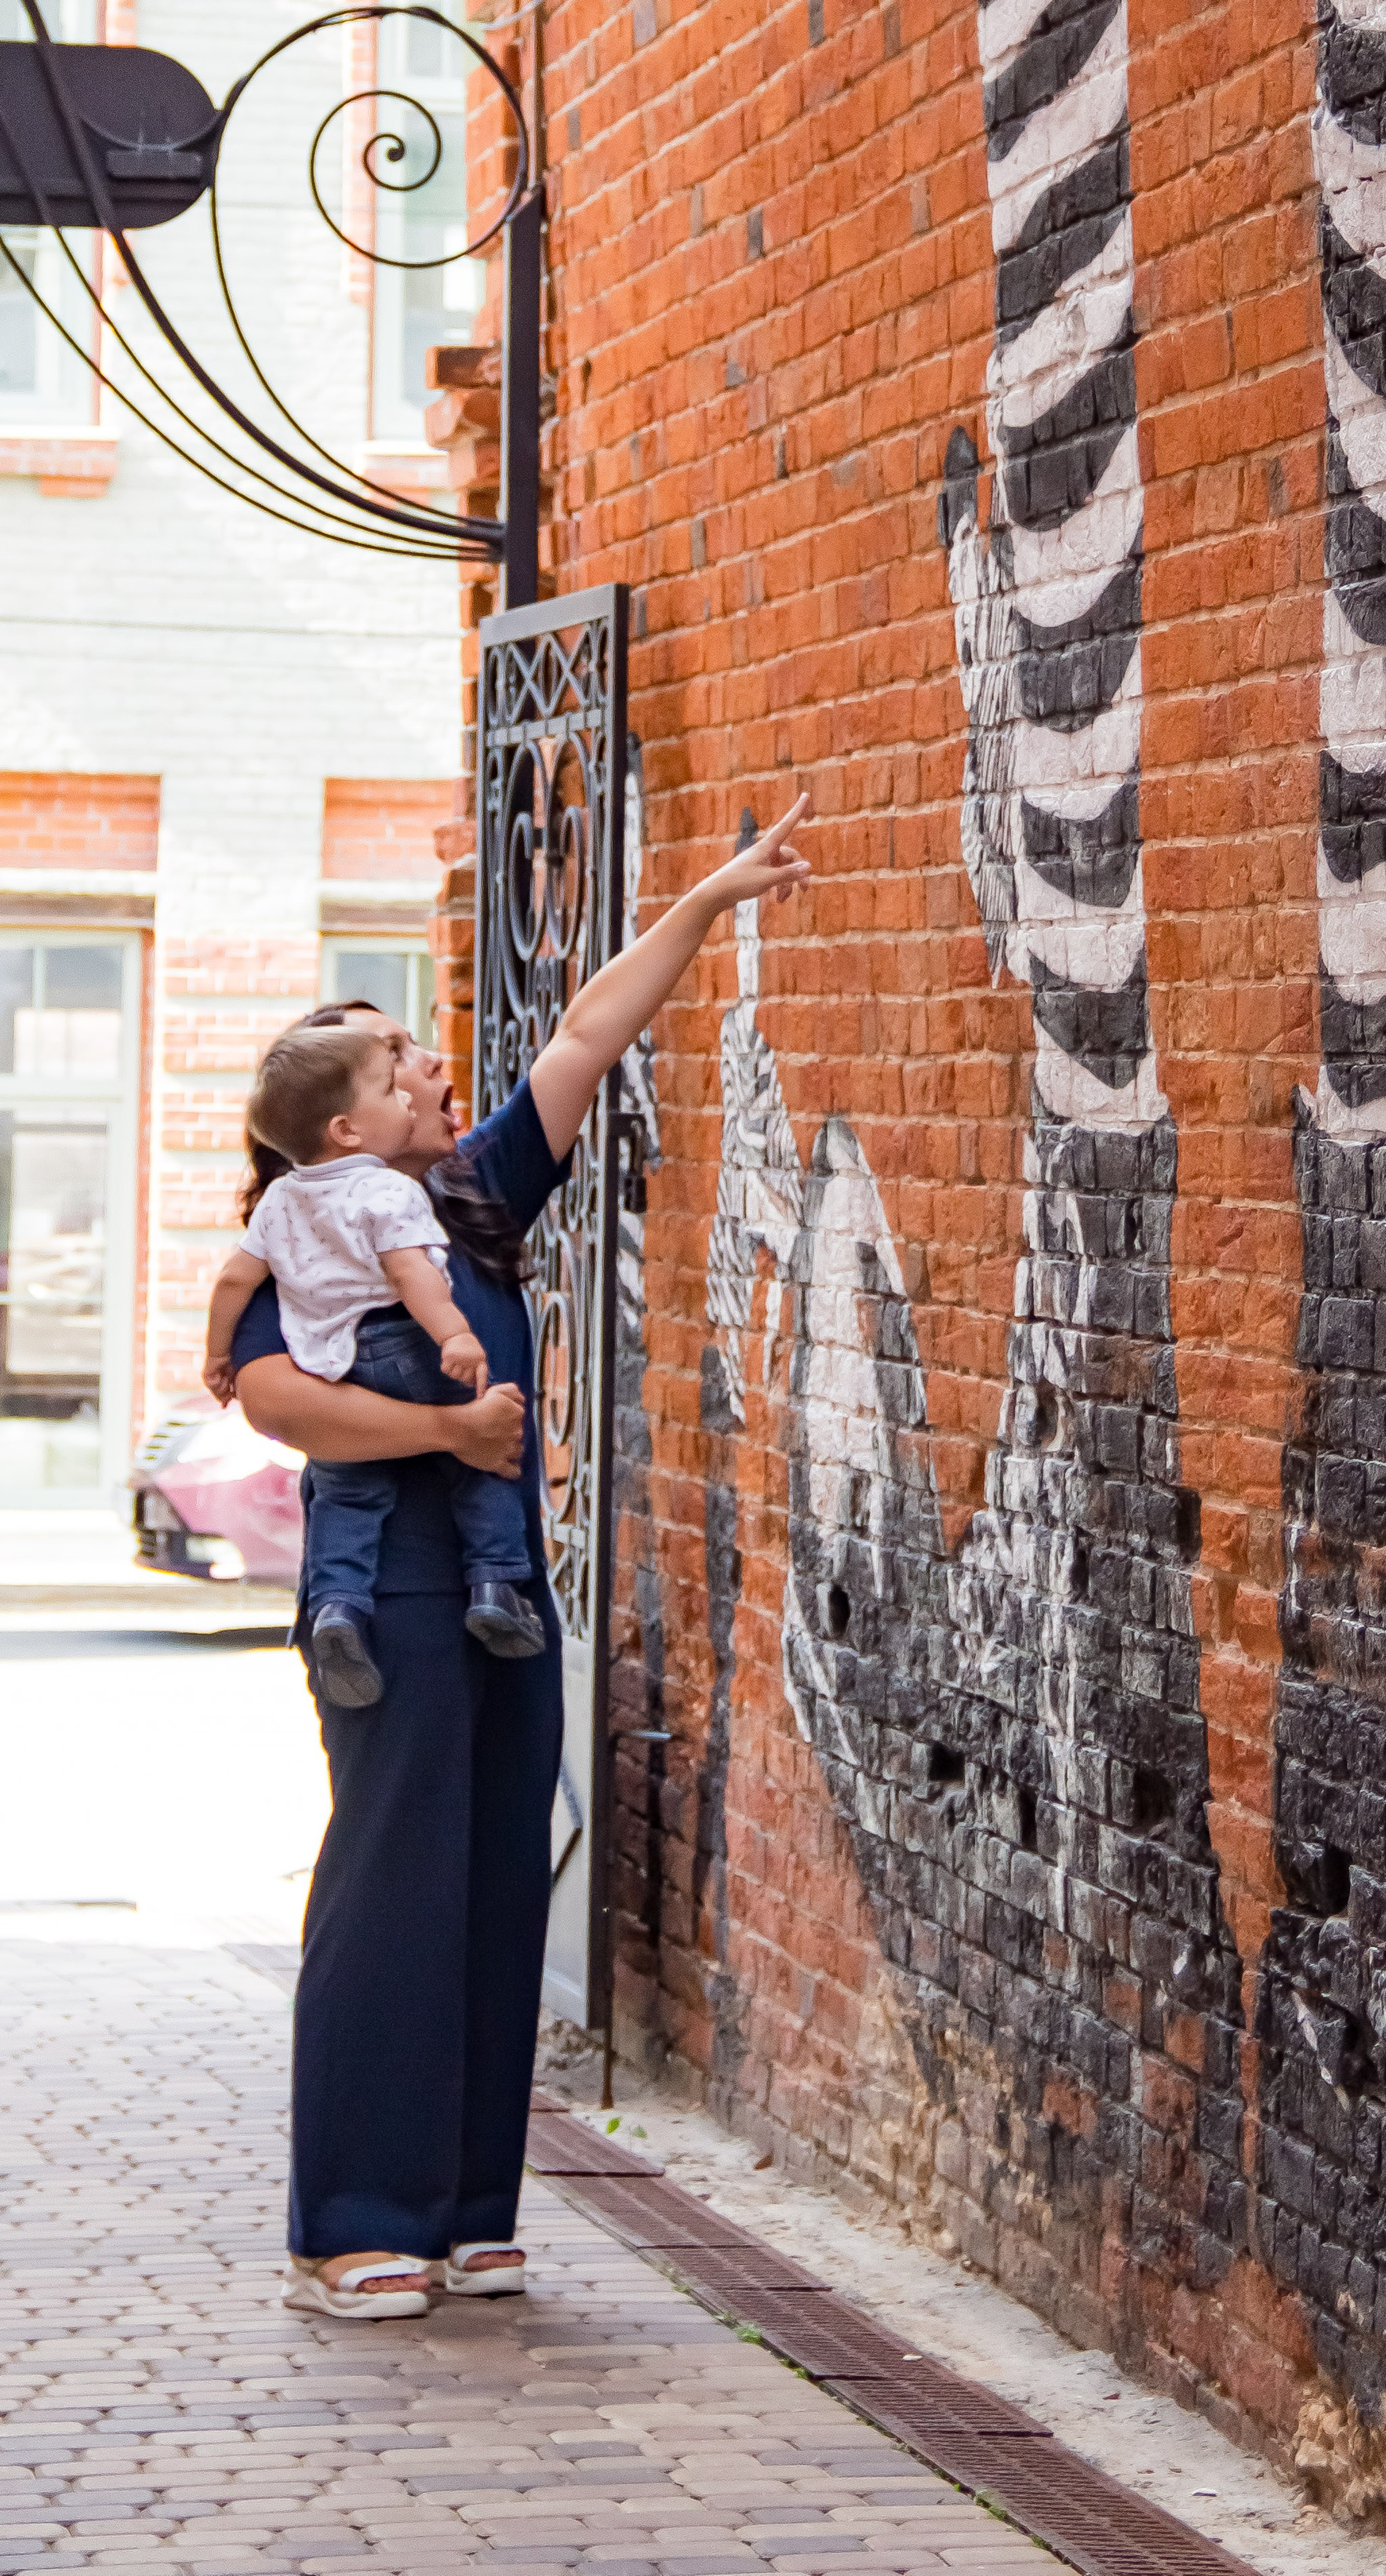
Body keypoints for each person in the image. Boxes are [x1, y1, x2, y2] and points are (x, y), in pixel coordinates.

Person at [232, 791, 812, 2320]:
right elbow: (267, 1395)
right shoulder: (302, 1229)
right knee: (391, 1881)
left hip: (503, 1597)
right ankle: (351, 2218)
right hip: (389, 1595)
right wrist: (446, 1438)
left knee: (496, 1879)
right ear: (339, 1114)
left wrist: (707, 900)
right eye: (394, 1051)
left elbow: (583, 1035)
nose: (432, 1062)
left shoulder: (474, 1199)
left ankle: (470, 2207)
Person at [206, 1022, 544, 1708]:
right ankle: (496, 1581)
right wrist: (455, 1336)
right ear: (347, 1130)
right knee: (480, 1458)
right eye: (391, 1087)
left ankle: (337, 1606)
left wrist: (215, 1352)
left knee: (346, 1492)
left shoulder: (280, 1201)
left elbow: (231, 1283)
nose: (410, 1098)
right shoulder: (387, 1191)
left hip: (335, 1363)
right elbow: (411, 1273)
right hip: (402, 1343)